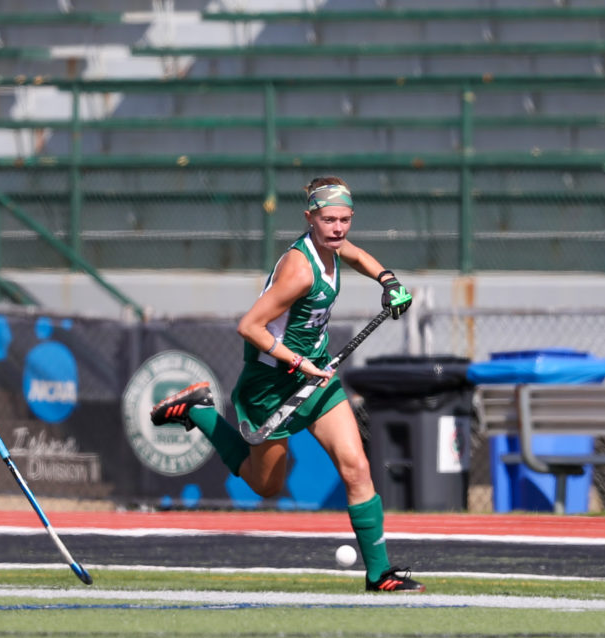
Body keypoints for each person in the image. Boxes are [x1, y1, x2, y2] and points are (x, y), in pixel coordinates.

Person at [150, 176, 424, 593]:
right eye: (329, 219)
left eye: (345, 219)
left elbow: (356, 256)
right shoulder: (299, 270)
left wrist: (388, 280)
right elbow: (250, 327)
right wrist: (298, 362)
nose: (338, 228)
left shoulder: (333, 245)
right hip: (271, 384)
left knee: (356, 466)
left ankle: (379, 574)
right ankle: (198, 411)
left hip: (315, 374)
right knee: (266, 485)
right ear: (309, 218)